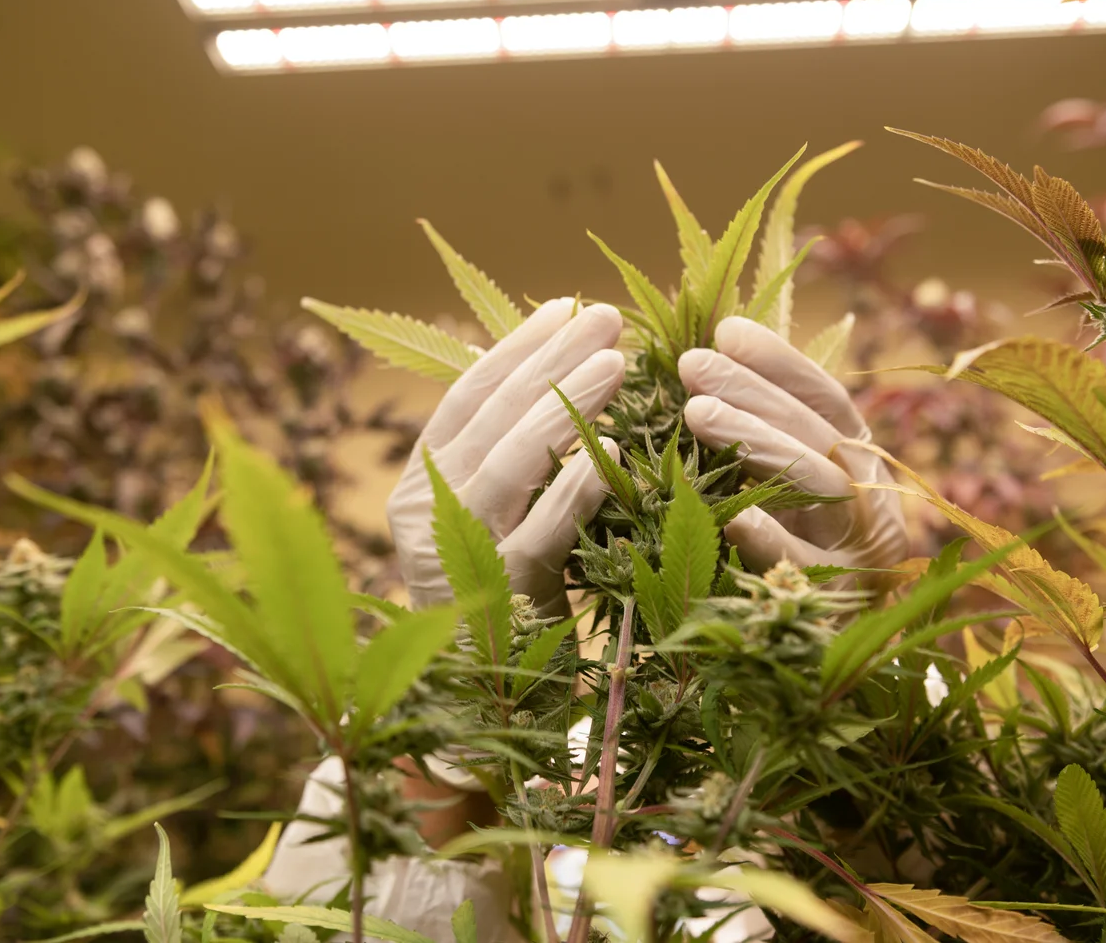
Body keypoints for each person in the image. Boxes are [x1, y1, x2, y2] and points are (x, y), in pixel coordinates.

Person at [261, 299, 909, 939]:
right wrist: (457, 729)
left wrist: (858, 668)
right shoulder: (568, 781)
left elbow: (970, 877)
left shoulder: (742, 777)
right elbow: (331, 918)